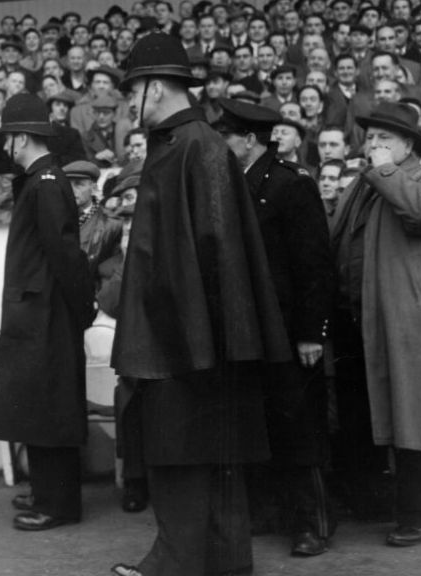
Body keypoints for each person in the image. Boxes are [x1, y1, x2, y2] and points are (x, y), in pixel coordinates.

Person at [109, 35, 291, 576]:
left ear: (157, 87)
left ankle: (178, 564)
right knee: (197, 451)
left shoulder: (197, 147)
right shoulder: (183, 145)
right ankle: (213, 562)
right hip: (184, 337)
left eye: (133, 91)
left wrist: (206, 342)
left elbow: (218, 252)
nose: (128, 105)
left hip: (187, 342)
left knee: (185, 453)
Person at [330, 102, 421, 547]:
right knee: (365, 414)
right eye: (369, 138)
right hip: (360, 318)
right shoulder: (361, 183)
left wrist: (385, 170)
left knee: (416, 416)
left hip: (406, 318)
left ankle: (419, 518)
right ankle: (376, 504)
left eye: (384, 138)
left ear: (407, 145)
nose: (373, 145)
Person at [213, 99, 335, 557]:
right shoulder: (229, 185)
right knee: (260, 422)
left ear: (249, 139)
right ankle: (272, 513)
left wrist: (310, 332)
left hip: (287, 329)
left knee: (298, 427)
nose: (221, 143)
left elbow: (313, 263)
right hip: (249, 329)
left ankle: (311, 524)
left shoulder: (290, 184)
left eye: (227, 136)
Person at [0, 93, 95, 532]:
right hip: (37, 311)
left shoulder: (47, 181)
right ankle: (46, 492)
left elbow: (66, 254)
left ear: (22, 138)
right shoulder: (41, 179)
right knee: (38, 404)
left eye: (9, 138)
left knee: (50, 407)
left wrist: (80, 309)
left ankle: (60, 503)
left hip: (48, 313)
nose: (6, 147)